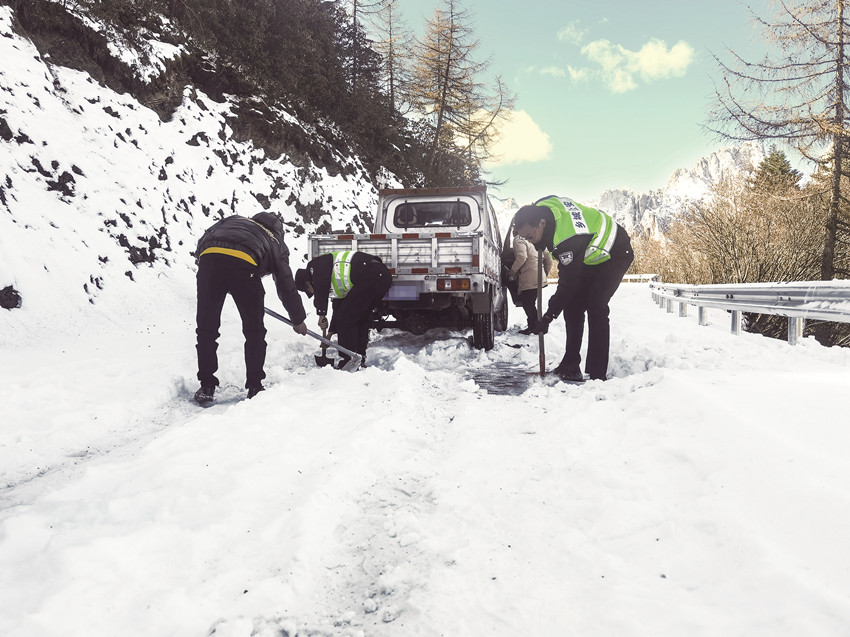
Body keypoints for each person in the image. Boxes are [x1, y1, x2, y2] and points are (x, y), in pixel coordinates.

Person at [512, 195, 633, 382]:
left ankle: (597, 374)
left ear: (541, 223)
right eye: (526, 238)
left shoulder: (567, 239)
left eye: (531, 237)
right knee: (572, 307)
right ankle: (570, 366)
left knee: (597, 306)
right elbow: (551, 198)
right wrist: (540, 240)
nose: (531, 242)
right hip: (589, 255)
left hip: (615, 251)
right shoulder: (540, 208)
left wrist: (548, 316)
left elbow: (568, 283)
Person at [193, 212, 308, 404]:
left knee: (206, 329)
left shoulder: (232, 220)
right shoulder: (274, 240)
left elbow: (204, 240)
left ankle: (206, 385)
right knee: (254, 330)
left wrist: (217, 274)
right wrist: (298, 319)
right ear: (278, 231)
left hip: (209, 259)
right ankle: (255, 386)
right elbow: (285, 282)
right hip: (244, 265)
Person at [295, 250, 392, 369]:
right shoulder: (332, 278)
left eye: (308, 290)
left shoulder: (316, 266)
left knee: (346, 317)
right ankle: (359, 357)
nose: (312, 292)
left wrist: (321, 313)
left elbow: (321, 288)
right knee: (359, 317)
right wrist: (330, 334)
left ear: (307, 283)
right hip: (380, 277)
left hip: (372, 274)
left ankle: (349, 359)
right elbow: (338, 307)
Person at [507, 233, 554, 335]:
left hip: (529, 278)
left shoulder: (519, 239)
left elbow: (521, 257)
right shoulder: (537, 238)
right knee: (530, 303)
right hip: (538, 277)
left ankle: (536, 327)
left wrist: (512, 271)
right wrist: (544, 273)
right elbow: (549, 260)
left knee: (528, 304)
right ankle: (535, 326)